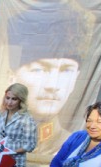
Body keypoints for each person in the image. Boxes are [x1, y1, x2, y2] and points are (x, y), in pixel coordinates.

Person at [7, 1, 94, 155]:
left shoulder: (67, 143)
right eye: (40, 69)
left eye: (66, 71)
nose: (52, 85)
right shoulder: (4, 120)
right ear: (13, 76)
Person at [0, 83, 37, 167]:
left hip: (15, 162)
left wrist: (9, 151)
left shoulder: (26, 119)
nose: (9, 102)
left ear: (21, 100)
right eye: (7, 98)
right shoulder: (0, 115)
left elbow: (30, 145)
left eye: (14, 99)